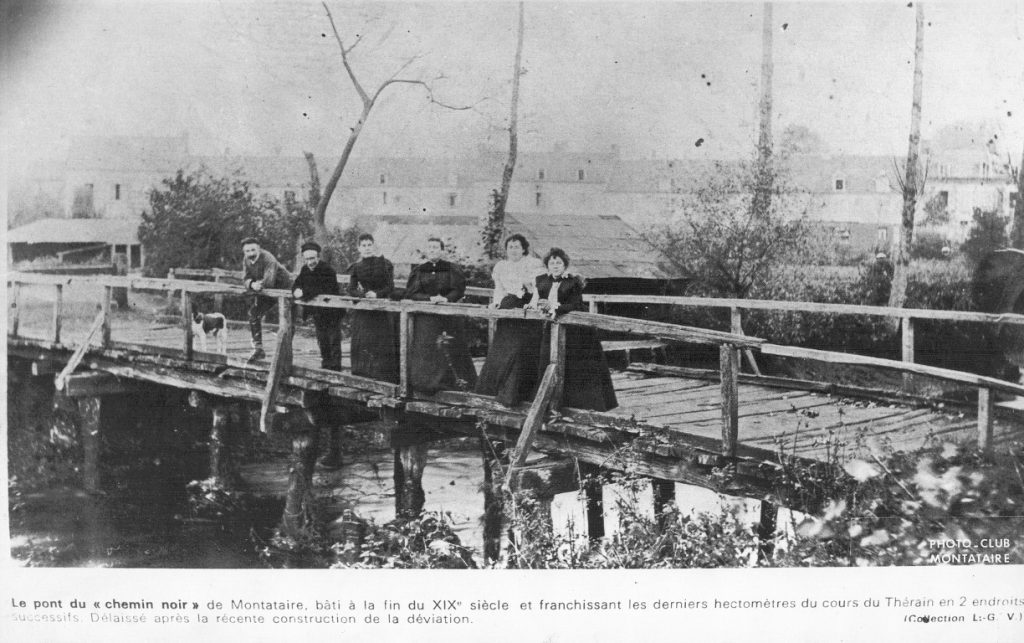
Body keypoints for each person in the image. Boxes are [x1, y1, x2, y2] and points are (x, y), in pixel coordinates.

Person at [527, 247, 617, 411]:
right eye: (552, 263)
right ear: (547, 266)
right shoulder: (542, 280)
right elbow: (537, 299)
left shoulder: (573, 282)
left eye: (559, 263)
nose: (555, 266)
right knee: (549, 359)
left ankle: (579, 403)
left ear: (565, 265)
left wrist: (553, 307)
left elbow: (574, 304)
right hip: (552, 326)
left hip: (575, 331)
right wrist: (535, 306)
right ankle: (549, 401)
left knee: (576, 364)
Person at [475, 234, 547, 406]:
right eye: (510, 247)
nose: (513, 250)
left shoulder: (533, 264)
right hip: (508, 307)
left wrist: (533, 305)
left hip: (527, 308)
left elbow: (539, 289)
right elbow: (499, 289)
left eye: (517, 247)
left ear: (524, 249)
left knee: (521, 349)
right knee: (504, 348)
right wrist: (497, 303)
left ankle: (518, 393)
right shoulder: (502, 266)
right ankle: (493, 390)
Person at [403, 237, 477, 393]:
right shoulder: (420, 270)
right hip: (426, 316)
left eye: (436, 247)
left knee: (450, 344)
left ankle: (455, 383)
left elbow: (458, 290)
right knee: (427, 346)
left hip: (447, 315)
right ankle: (426, 383)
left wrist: (446, 299)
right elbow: (412, 293)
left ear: (442, 251)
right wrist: (429, 299)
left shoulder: (451, 268)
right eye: (430, 247)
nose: (432, 250)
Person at [347, 233, 400, 383]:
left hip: (380, 310)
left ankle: (382, 377)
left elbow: (390, 286)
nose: (367, 248)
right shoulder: (356, 267)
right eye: (363, 245)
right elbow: (351, 288)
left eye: (369, 245)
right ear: (359, 248)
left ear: (374, 246)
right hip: (364, 311)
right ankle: (363, 375)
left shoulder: (385, 264)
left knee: (381, 342)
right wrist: (363, 295)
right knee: (364, 341)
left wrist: (377, 294)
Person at [292, 241, 342, 370]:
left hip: (332, 311)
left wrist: (303, 292)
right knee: (322, 339)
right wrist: (296, 290)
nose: (310, 262)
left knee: (333, 340)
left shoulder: (327, 270)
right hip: (318, 312)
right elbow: (297, 283)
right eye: (307, 259)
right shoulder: (305, 270)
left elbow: (321, 289)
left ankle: (336, 369)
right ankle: (326, 365)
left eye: (312, 258)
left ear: (318, 257)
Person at [241, 238, 293, 363]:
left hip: (285, 289)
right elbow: (245, 278)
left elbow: (269, 281)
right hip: (266, 291)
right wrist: (252, 284)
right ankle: (258, 349)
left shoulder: (268, 258)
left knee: (287, 321)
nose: (250, 253)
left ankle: (285, 355)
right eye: (247, 251)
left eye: (253, 250)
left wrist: (257, 285)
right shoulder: (246, 260)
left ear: (259, 249)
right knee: (253, 313)